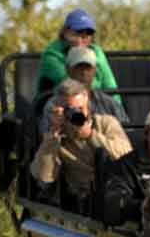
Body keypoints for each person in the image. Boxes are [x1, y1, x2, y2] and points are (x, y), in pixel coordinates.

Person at [29, 78, 131, 215]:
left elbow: (126, 156)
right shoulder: (56, 137)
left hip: (114, 194)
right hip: (81, 203)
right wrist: (53, 136)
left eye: (80, 109)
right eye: (70, 110)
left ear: (87, 105)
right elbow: (43, 176)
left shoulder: (106, 123)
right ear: (59, 109)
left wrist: (91, 136)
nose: (76, 114)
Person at [39, 46, 128, 132]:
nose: (84, 73)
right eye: (79, 67)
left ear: (94, 70)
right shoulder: (53, 105)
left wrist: (91, 136)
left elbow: (126, 136)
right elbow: (44, 139)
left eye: (88, 68)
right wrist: (55, 129)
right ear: (68, 69)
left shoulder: (110, 104)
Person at [36, 8, 120, 99]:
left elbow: (110, 87)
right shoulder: (51, 55)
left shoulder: (97, 52)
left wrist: (116, 110)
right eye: (78, 31)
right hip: (57, 106)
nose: (84, 36)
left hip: (94, 103)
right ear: (65, 32)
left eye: (88, 32)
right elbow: (73, 85)